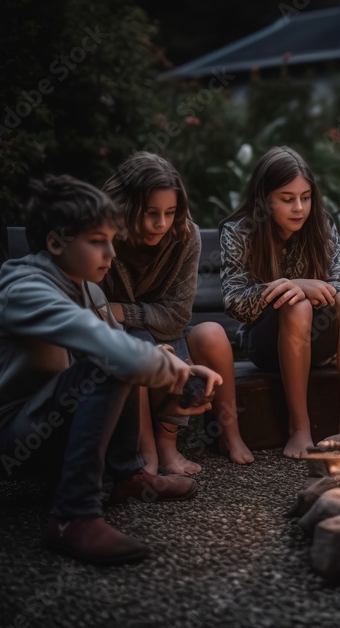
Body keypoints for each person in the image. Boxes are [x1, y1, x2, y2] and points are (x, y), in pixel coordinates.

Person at [0, 176, 219, 565]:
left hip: (48, 421)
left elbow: (126, 347)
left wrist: (183, 368)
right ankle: (73, 516)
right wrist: (171, 373)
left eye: (111, 240)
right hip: (8, 441)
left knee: (118, 359)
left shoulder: (88, 288)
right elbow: (113, 352)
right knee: (109, 364)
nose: (111, 254)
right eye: (97, 241)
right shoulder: (26, 290)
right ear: (55, 242)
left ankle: (127, 477)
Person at [100, 152, 254, 475]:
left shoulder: (185, 237)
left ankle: (221, 437)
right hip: (118, 344)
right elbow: (94, 310)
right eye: (151, 213)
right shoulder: (103, 238)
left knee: (211, 333)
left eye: (170, 212)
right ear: (126, 207)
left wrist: (124, 311)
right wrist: (128, 319)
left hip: (169, 333)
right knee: (136, 341)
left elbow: (176, 316)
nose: (161, 223)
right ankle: (147, 454)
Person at [219, 146, 340, 459]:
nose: (299, 207)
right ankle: (299, 428)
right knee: (296, 303)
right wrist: (293, 287)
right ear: (265, 199)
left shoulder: (320, 225)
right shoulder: (239, 232)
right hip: (267, 344)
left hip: (318, 342)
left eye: (306, 197)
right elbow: (235, 303)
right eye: (287, 199)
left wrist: (317, 289)